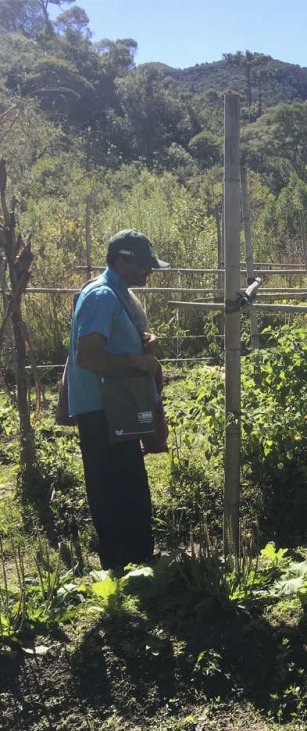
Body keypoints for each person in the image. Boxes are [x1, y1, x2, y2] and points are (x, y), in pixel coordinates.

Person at [66, 230, 168, 571]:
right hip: (101, 408)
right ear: (122, 262)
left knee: (129, 479)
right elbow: (88, 356)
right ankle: (119, 565)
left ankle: (138, 557)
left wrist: (142, 343)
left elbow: (110, 342)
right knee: (110, 485)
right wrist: (135, 361)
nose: (148, 272)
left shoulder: (118, 294)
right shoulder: (101, 296)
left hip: (116, 404)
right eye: (143, 265)